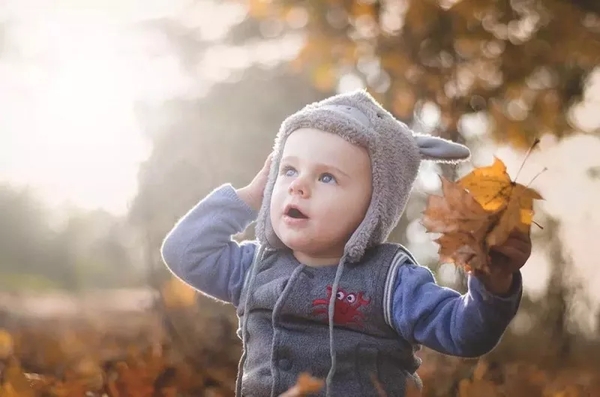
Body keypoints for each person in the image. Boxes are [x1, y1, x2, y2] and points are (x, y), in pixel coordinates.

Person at [161, 90, 530, 397]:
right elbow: (184, 251)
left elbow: (464, 333)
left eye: (326, 177)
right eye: (288, 170)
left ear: (375, 205)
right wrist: (247, 197)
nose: (298, 185)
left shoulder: (391, 283)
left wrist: (493, 284)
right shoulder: (255, 267)